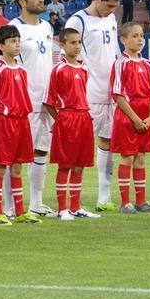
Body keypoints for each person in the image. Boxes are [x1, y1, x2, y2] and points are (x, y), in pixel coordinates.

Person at [64, 0, 122, 212]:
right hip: (87, 94)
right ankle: (71, 200)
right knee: (80, 146)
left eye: (114, 7)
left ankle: (103, 197)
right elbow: (68, 57)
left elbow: (115, 53)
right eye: (108, 6)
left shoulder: (111, 19)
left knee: (107, 142)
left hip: (110, 93)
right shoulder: (77, 21)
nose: (111, 10)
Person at [8, 0, 56, 216]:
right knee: (15, 156)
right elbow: (5, 66)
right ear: (22, 2)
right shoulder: (13, 28)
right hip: (23, 103)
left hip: (46, 102)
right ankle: (9, 206)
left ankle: (36, 203)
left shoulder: (47, 27)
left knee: (41, 152)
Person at [0, 25, 41, 226]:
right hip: (4, 122)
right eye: (12, 41)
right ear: (1, 46)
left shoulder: (22, 69)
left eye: (18, 40)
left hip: (22, 122)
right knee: (1, 166)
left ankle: (20, 212)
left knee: (17, 167)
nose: (17, 44)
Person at [43, 28, 96, 220]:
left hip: (84, 118)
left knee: (80, 164)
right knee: (65, 164)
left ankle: (75, 207)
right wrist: (61, 120)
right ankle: (62, 209)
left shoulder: (84, 69)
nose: (77, 46)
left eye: (79, 42)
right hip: (67, 118)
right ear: (62, 45)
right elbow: (48, 101)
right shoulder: (58, 69)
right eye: (72, 42)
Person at [110, 22, 150, 214]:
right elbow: (118, 95)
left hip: (145, 116)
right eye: (134, 36)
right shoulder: (120, 63)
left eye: (141, 35)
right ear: (123, 40)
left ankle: (141, 201)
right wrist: (135, 119)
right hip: (127, 115)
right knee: (128, 156)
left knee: (140, 157)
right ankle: (125, 203)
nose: (140, 39)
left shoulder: (146, 63)